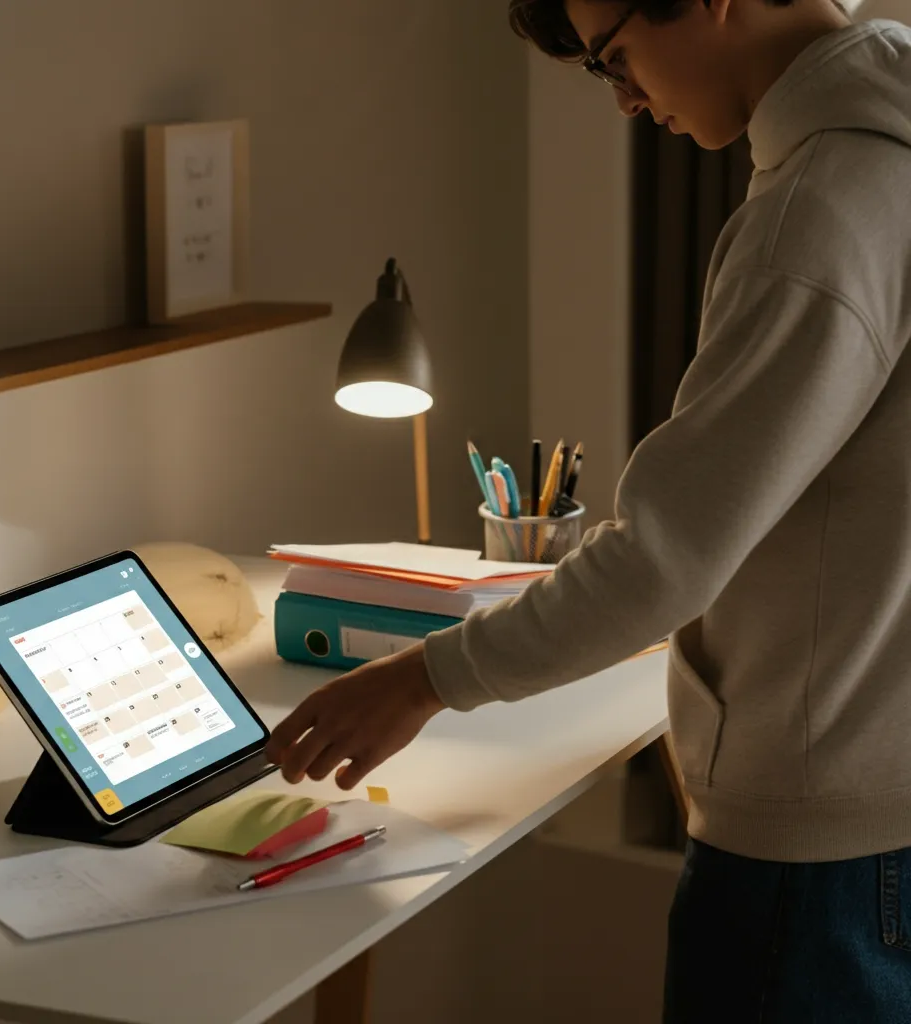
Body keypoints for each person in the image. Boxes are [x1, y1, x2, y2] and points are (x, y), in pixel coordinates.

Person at [266, 0, 911, 1018]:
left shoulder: (819, 211)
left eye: (619, 57)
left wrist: (425, 677)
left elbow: (665, 558)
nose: (623, 101)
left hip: (816, 854)